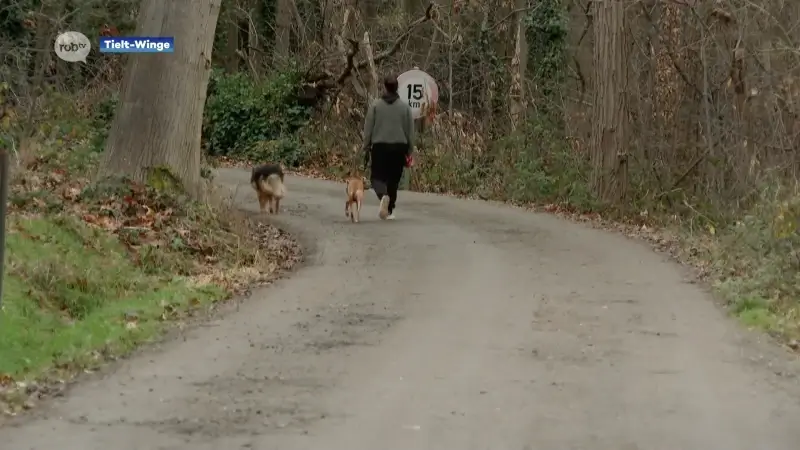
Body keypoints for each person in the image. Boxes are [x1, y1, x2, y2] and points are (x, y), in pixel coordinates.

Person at [362, 74, 415, 220]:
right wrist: (410, 150)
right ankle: (390, 210)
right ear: (397, 88)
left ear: (385, 87)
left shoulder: (376, 105)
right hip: (399, 147)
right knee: (394, 180)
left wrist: (366, 146)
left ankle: (383, 195)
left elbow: (368, 128)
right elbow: (410, 131)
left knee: (377, 178)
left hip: (380, 147)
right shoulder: (405, 108)